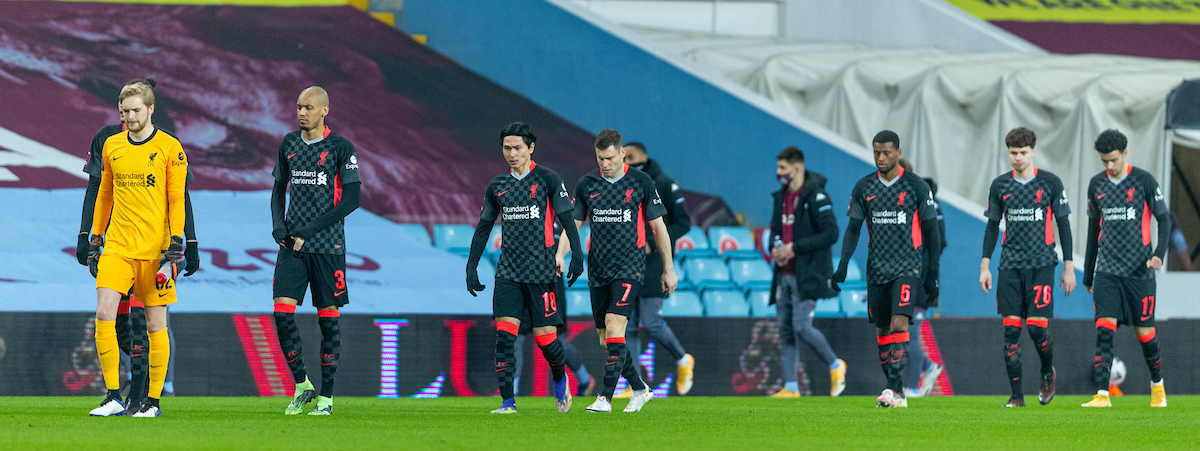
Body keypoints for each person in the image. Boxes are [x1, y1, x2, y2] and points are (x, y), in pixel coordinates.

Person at [77, 78, 197, 409]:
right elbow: (104, 194)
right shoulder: (112, 146)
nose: (129, 118)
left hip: (154, 250)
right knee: (104, 313)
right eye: (124, 111)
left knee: (155, 324)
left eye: (135, 111)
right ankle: (114, 395)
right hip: (117, 246)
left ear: (150, 109)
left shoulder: (170, 148)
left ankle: (153, 401)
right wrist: (95, 238)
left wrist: (177, 243)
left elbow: (177, 198)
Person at [465, 122, 584, 414]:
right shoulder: (497, 186)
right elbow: (483, 229)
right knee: (505, 337)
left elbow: (568, 220)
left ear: (531, 148)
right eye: (507, 148)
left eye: (518, 147)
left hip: (541, 271)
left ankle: (560, 380)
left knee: (547, 342)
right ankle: (508, 403)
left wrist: (576, 256)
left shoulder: (548, 179)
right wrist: (472, 266)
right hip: (508, 272)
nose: (512, 153)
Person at [561, 129, 677, 413]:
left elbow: (658, 228)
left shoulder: (641, 182)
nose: (605, 164)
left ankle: (605, 398)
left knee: (615, 324)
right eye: (600, 158)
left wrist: (668, 269)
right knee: (607, 339)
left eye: (610, 158)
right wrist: (558, 255)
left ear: (622, 153)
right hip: (598, 270)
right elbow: (573, 224)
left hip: (630, 268)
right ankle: (639, 388)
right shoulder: (587, 184)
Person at [832, 130, 941, 408]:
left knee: (898, 322)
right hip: (876, 269)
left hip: (907, 267)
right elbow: (853, 229)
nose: (881, 158)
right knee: (882, 332)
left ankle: (893, 390)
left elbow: (932, 233)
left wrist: (932, 275)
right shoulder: (863, 188)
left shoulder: (916, 187)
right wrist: (842, 264)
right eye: (876, 153)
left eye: (886, 152)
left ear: (898, 152)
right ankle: (897, 393)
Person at [270, 87, 362, 416]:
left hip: (327, 247)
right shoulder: (289, 144)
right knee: (281, 314)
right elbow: (279, 189)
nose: (301, 113)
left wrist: (310, 229)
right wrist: (278, 225)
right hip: (292, 246)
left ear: (325, 110)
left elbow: (352, 200)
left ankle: (327, 398)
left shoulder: (340, 147)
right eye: (298, 107)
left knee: (329, 325)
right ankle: (302, 385)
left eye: (308, 107)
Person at [978, 128, 1074, 407]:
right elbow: (992, 226)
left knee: (1036, 329)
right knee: (1010, 331)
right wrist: (985, 265)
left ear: (1033, 151)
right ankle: (1017, 397)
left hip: (1042, 265)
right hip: (1009, 265)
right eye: (1012, 153)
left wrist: (1068, 267)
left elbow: (1064, 225)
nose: (1017, 158)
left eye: (1022, 153)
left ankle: (1047, 372)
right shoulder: (1000, 186)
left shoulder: (1051, 183)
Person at [1081, 129, 1170, 408]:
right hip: (1107, 271)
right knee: (1104, 329)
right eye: (1104, 161)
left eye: (1114, 160)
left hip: (1139, 272)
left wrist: (1158, 254)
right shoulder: (1096, 185)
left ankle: (1157, 386)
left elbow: (1164, 220)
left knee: (1145, 335)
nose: (1109, 166)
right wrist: (1088, 273)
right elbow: (1093, 229)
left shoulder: (1143, 181)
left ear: (1125, 154)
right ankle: (1102, 395)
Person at [766, 146, 847, 398]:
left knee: (801, 326)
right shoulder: (781, 197)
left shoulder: (817, 196)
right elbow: (775, 230)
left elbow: (831, 233)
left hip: (807, 274)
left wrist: (795, 248)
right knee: (785, 329)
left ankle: (835, 365)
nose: (778, 172)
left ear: (797, 168)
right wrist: (776, 248)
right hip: (784, 273)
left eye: (782, 168)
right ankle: (791, 386)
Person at [622, 141, 695, 396]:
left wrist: (653, 243)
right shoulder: (623, 185)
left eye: (630, 157)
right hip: (628, 263)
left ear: (643, 156)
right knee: (628, 326)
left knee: (651, 322)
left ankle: (683, 358)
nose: (626, 162)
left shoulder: (664, 184)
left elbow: (683, 223)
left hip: (654, 264)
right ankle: (635, 385)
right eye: (624, 158)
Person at [896, 159, 945, 399]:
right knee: (900, 333)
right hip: (901, 279)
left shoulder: (927, 204)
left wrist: (922, 273)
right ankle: (929, 366)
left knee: (911, 332)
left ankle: (912, 388)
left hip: (920, 281)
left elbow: (939, 243)